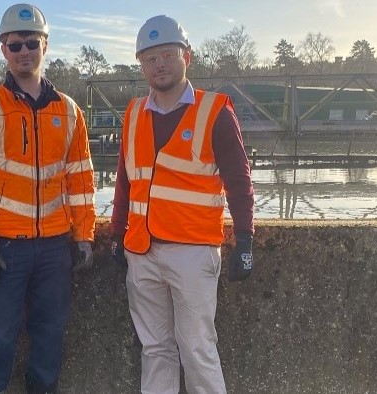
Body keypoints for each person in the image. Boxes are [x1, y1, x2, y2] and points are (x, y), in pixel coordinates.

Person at [110, 15, 255, 394]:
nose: (159, 64)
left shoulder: (215, 111)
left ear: (186, 56)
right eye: (150, 57)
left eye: (167, 54)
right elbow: (125, 180)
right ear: (141, 64)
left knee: (197, 349)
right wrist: (116, 233)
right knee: (155, 349)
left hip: (193, 252)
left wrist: (245, 240)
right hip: (141, 251)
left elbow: (239, 181)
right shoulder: (134, 113)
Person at [0, 4, 96, 393]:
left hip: (55, 247)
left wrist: (84, 235)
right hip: (4, 247)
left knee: (49, 338)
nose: (23, 51)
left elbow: (81, 181)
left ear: (45, 46)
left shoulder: (68, 110)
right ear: (3, 49)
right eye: (14, 44)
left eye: (31, 43)